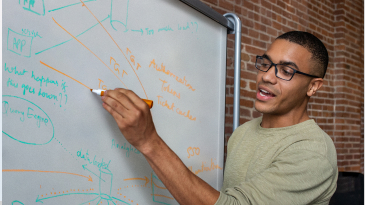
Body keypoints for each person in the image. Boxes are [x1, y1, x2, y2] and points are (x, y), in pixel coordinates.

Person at [101, 31, 338, 205]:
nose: (266, 76)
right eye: (265, 64)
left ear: (313, 87)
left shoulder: (312, 151)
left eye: (286, 71)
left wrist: (148, 142)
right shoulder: (243, 132)